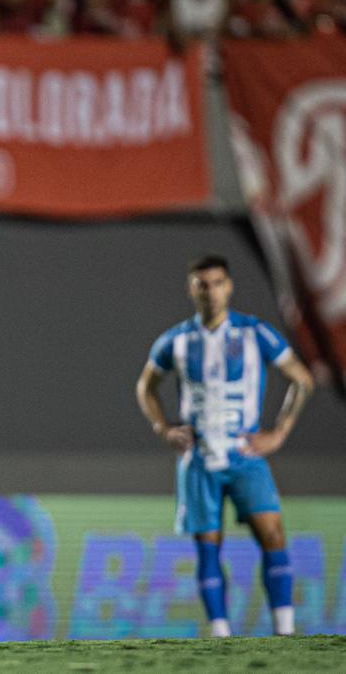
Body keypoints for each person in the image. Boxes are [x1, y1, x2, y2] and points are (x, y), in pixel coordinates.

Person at [135, 255, 313, 638]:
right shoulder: (177, 340)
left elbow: (301, 378)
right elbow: (145, 386)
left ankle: (284, 628)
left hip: (245, 452)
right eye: (203, 284)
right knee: (207, 546)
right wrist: (163, 427)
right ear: (191, 289)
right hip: (199, 457)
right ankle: (220, 633)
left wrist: (279, 433)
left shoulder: (255, 333)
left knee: (273, 534)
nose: (211, 292)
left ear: (229, 286)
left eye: (217, 283)